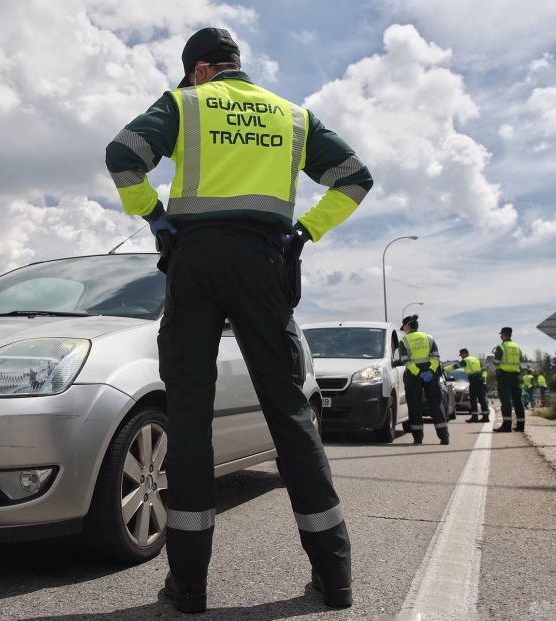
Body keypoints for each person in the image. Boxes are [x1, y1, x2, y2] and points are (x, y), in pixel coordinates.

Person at [105, 27, 372, 613]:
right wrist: (305, 232)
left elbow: (123, 156)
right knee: (291, 414)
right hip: (263, 262)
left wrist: (155, 217)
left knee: (191, 418)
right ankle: (335, 578)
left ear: (199, 70)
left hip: (195, 263)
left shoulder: (185, 103)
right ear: (235, 64)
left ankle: (190, 587)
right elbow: (356, 177)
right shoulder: (294, 116)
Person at [395, 315, 449, 445]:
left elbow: (405, 360)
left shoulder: (404, 340)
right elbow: (436, 357)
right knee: (436, 404)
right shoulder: (429, 337)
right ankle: (444, 437)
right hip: (431, 374)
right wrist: (430, 371)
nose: (404, 330)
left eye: (404, 327)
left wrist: (418, 373)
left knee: (415, 405)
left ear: (408, 326)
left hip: (414, 376)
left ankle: (418, 438)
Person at [493, 326, 525, 432]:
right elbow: (520, 359)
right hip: (515, 376)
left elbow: (496, 362)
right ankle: (521, 426)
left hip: (504, 376)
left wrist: (496, 365)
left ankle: (506, 426)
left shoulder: (501, 347)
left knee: (506, 401)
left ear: (503, 335)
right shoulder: (517, 347)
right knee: (518, 401)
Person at [457, 348, 489, 423]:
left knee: (473, 399)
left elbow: (455, 366)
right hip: (480, 380)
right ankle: (486, 417)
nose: (461, 356)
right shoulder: (477, 360)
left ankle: (475, 417)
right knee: (482, 399)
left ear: (465, 353)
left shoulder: (465, 360)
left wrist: (444, 369)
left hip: (473, 381)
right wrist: (484, 382)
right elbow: (484, 371)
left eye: (461, 355)